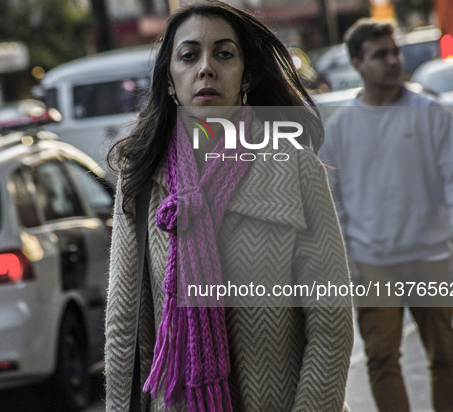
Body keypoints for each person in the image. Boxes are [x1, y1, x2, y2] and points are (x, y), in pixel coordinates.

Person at [105, 1, 354, 411]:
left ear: (246, 76)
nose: (206, 68)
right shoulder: (142, 176)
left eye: (224, 54)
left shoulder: (293, 165)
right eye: (189, 56)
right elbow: (125, 330)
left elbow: (331, 325)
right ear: (170, 79)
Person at [320, 18, 453, 412]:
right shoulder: (340, 129)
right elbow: (330, 202)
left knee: (445, 353)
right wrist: (345, 259)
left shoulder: (430, 113)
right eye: (379, 55)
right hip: (372, 265)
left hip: (429, 258)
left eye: (395, 52)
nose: (392, 61)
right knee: (382, 359)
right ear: (357, 64)